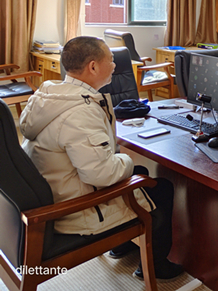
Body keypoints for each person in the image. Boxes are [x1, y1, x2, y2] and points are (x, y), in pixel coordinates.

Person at [20, 36, 183, 280]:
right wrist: (126, 160)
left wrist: (123, 162)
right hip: (75, 213)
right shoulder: (80, 112)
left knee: (140, 173)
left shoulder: (51, 96)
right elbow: (101, 175)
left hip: (57, 192)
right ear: (93, 67)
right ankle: (155, 265)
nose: (115, 66)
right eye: (111, 60)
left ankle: (122, 244)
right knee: (161, 187)